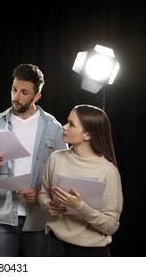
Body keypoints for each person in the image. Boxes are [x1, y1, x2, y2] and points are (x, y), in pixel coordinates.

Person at [0, 63, 68, 257]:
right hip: (1, 217)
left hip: (39, 220)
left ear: (36, 96)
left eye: (24, 92)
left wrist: (42, 192)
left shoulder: (53, 126)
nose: (16, 97)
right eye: (14, 89)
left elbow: (63, 174)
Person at [38, 104, 123, 256]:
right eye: (67, 122)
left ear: (87, 135)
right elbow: (43, 193)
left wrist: (81, 207)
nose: (63, 127)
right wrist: (48, 204)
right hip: (55, 245)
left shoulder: (109, 172)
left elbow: (111, 226)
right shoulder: (56, 158)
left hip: (91, 252)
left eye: (71, 124)